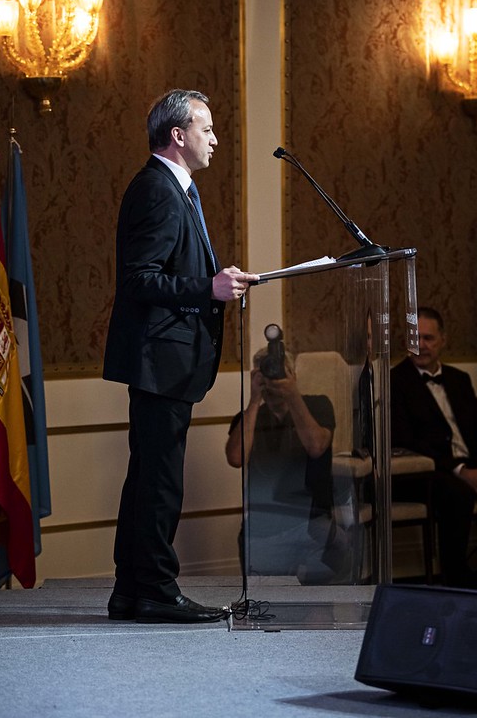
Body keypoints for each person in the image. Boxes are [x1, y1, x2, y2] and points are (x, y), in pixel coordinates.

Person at [103, 89, 258, 623]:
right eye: (207, 129)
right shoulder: (157, 190)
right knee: (160, 481)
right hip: (160, 359)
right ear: (179, 135)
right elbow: (140, 279)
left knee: (149, 476)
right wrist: (207, 289)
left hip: (167, 360)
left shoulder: (176, 190)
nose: (214, 139)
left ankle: (132, 590)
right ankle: (155, 591)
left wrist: (213, 283)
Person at [225, 346, 349, 584]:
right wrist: (254, 400)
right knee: (268, 609)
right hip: (264, 528)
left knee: (339, 547)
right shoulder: (250, 418)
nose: (275, 379)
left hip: (312, 523)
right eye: (269, 372)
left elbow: (316, 446)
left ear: (294, 375)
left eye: (282, 372)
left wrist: (293, 395)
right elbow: (236, 458)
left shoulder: (318, 405)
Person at [390, 306, 477, 589]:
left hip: (469, 463)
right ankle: (456, 582)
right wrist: (461, 470)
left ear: (443, 339)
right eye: (415, 338)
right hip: (425, 472)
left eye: (428, 338)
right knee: (457, 493)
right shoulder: (394, 381)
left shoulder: (459, 379)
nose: (422, 345)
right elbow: (405, 441)